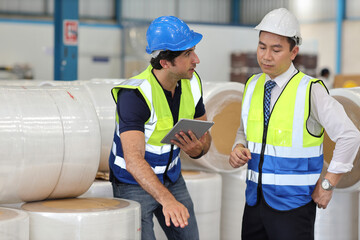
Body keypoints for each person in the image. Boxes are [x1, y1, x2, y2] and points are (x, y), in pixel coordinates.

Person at [229, 8, 360, 240]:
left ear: (294, 52)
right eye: (262, 47)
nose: (266, 56)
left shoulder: (310, 90)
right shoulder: (252, 85)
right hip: (254, 202)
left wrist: (328, 184)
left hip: (293, 207)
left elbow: (350, 136)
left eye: (276, 49)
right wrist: (238, 148)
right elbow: (244, 131)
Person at [108, 16, 212, 240]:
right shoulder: (135, 95)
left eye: (193, 50)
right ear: (165, 62)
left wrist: (199, 150)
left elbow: (206, 137)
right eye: (187, 54)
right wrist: (167, 200)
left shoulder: (192, 83)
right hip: (132, 183)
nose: (197, 59)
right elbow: (133, 159)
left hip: (172, 178)